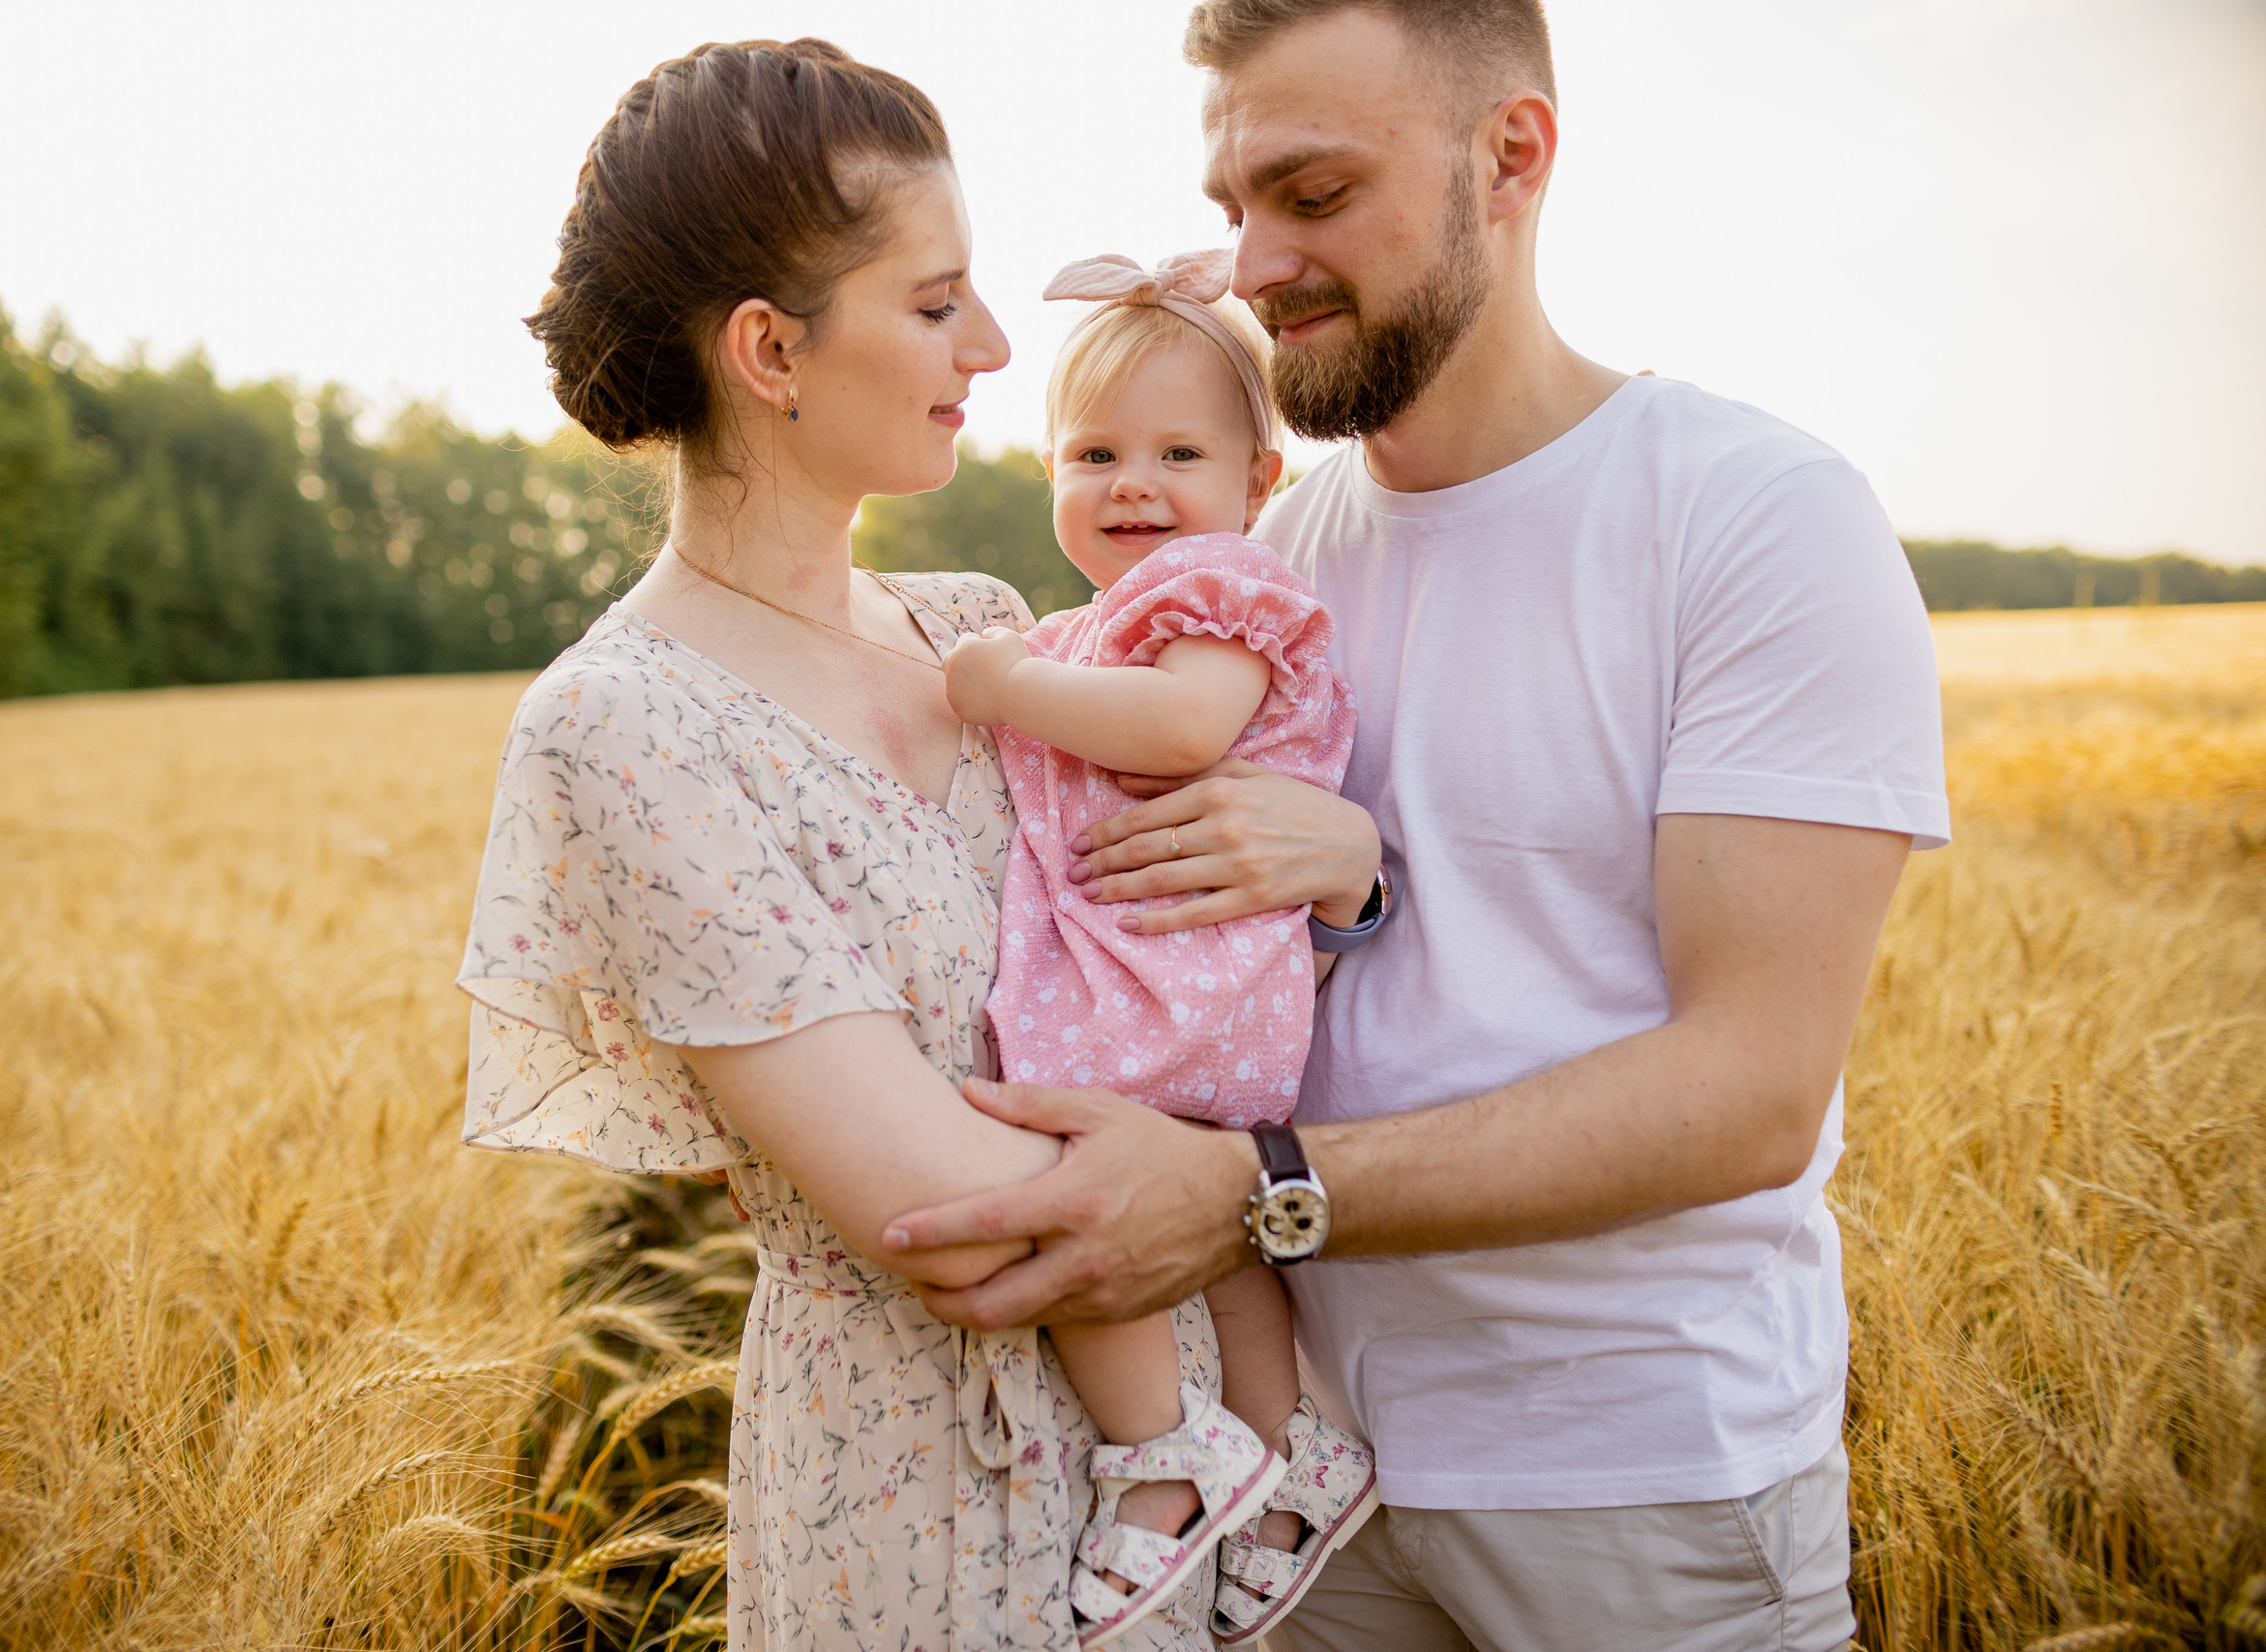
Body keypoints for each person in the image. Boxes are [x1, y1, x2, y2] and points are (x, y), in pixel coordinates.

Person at [880, 3, 1950, 1648]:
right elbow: (1302, 929)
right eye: (1234, 205)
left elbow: (1749, 1091)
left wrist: (1253, 1192)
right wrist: (1354, 888)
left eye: (1312, 195)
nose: (1251, 265)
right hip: (1309, 1475)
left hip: (1634, 1485)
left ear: (1510, 155)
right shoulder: (1254, 548)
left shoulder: (1751, 518)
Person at [454, 38, 1377, 1652]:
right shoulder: (628, 723)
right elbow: (934, 1204)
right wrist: (1259, 1187)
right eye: (938, 301)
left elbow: (1195, 938)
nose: (1000, 346)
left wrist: (1343, 858)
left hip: (1193, 1486)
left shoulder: (982, 627)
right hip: (928, 1503)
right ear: (770, 350)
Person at [939, 248, 1375, 1646]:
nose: (1133, 483)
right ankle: (1288, 1439)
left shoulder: (1219, 594)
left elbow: (1185, 733)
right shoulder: (1100, 623)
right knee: (1227, 1234)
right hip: (1176, 978)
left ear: (1259, 484)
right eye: (1094, 452)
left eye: (1179, 451)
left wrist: (1010, 681)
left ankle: (1159, 1454)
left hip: (1180, 982)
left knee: (1085, 1183)